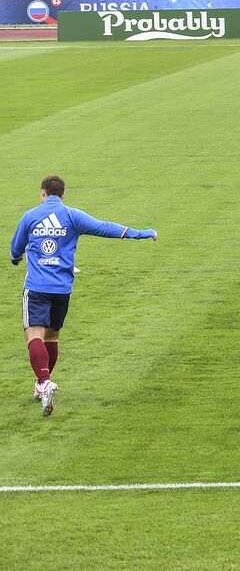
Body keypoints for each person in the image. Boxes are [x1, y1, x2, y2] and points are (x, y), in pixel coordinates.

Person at [9, 175, 156, 416]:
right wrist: (140, 233)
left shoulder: (30, 216)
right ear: (63, 195)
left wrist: (16, 259)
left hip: (36, 288)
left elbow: (16, 249)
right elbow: (104, 227)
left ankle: (45, 382)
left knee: (34, 335)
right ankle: (41, 385)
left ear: (42, 193)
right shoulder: (72, 216)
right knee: (52, 337)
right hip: (62, 290)